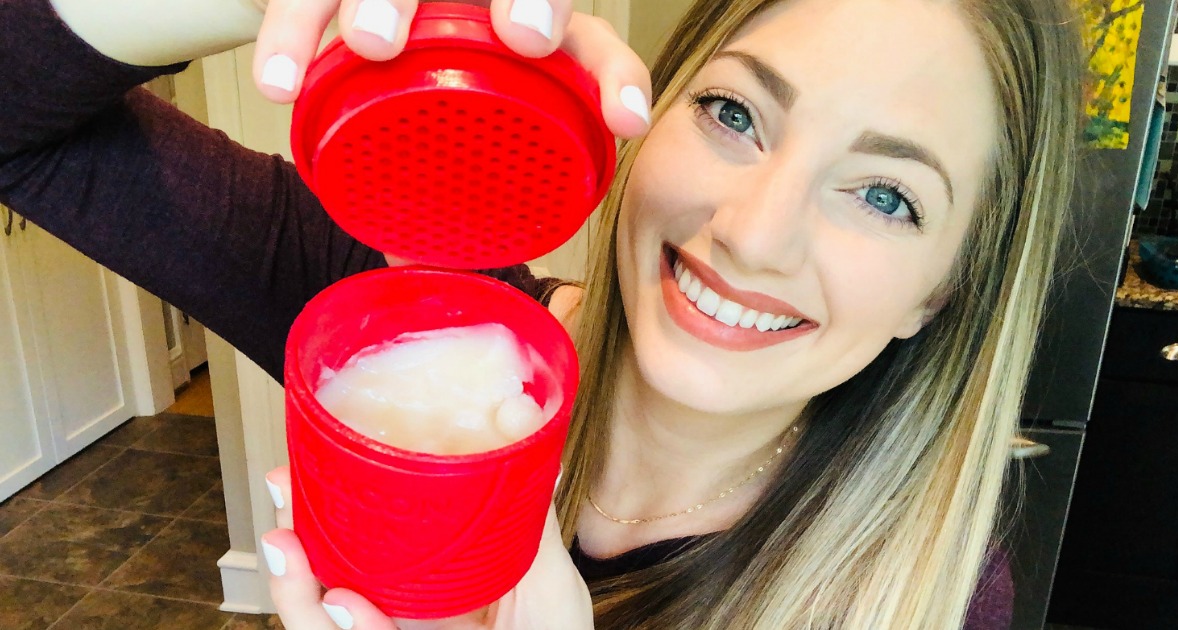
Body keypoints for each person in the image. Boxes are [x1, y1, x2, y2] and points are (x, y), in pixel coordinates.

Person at [0, 0, 1085, 626]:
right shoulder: (410, 337)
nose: (756, 232)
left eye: (886, 195)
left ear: (940, 291)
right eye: (733, 111)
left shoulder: (929, 594)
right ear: (646, 115)